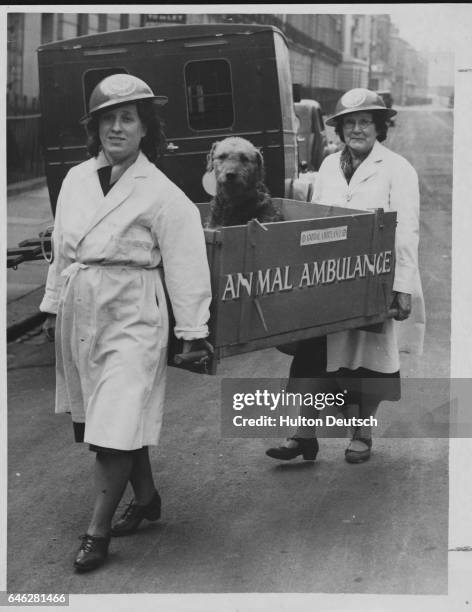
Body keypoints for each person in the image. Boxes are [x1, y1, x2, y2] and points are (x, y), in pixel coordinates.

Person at [40, 74, 212, 572]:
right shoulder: (75, 179)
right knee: (109, 414)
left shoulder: (162, 193)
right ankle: (149, 496)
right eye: (107, 118)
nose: (117, 127)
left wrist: (193, 333)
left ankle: (97, 533)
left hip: (136, 311)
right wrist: (53, 306)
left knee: (114, 421)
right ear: (95, 128)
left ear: (144, 128)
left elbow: (186, 264)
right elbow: (62, 252)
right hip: (84, 306)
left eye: (128, 118)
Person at [266, 88, 425, 464]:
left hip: (375, 282)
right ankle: (303, 435)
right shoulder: (327, 166)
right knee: (311, 355)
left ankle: (362, 434)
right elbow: (315, 222)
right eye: (350, 122)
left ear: (380, 127)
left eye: (366, 122)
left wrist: (400, 288)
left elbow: (406, 232)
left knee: (366, 360)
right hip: (330, 281)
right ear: (339, 128)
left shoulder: (398, 169)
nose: (357, 129)